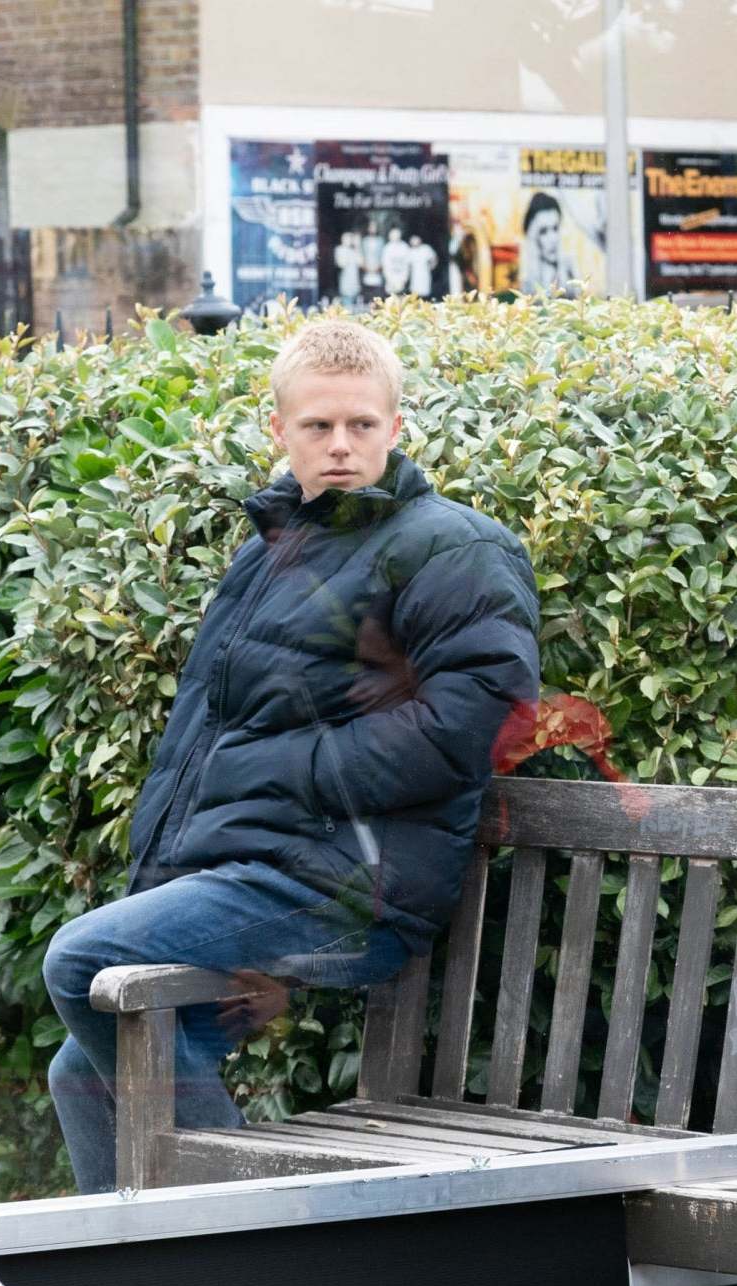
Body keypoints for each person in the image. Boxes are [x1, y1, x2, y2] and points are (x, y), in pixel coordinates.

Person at [42, 318, 541, 1194]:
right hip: (257, 876)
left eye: (360, 425)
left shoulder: (454, 547)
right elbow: (201, 740)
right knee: (81, 1068)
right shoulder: (269, 554)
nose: (340, 446)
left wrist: (293, 769)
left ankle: (243, 1234)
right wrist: (161, 892)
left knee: (79, 961)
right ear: (280, 432)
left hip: (347, 887)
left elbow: (474, 723)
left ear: (397, 427)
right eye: (317, 427)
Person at [518, 191, 578, 294]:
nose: (553, 238)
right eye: (543, 231)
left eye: (555, 228)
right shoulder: (525, 272)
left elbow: (582, 302)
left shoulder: (569, 265)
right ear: (532, 235)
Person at [381, 228, 414, 299]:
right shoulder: (387, 248)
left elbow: (407, 264)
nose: (395, 237)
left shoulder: (405, 247)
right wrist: (388, 278)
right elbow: (385, 265)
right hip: (390, 278)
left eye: (397, 235)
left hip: (402, 277)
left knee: (401, 297)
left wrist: (405, 278)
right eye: (393, 235)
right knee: (391, 298)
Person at [334, 231, 363, 308]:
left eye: (350, 239)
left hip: (354, 281)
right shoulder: (339, 249)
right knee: (347, 306)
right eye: (347, 239)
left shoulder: (354, 251)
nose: (349, 241)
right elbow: (341, 264)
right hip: (345, 282)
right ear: (342, 239)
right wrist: (347, 251)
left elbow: (361, 263)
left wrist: (357, 248)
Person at [407, 232, 437, 297]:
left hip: (424, 274)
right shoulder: (410, 251)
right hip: (415, 276)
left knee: (425, 293)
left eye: (416, 239)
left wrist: (432, 267)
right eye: (413, 240)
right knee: (415, 294)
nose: (414, 241)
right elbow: (408, 265)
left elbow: (434, 258)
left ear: (420, 240)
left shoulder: (426, 248)